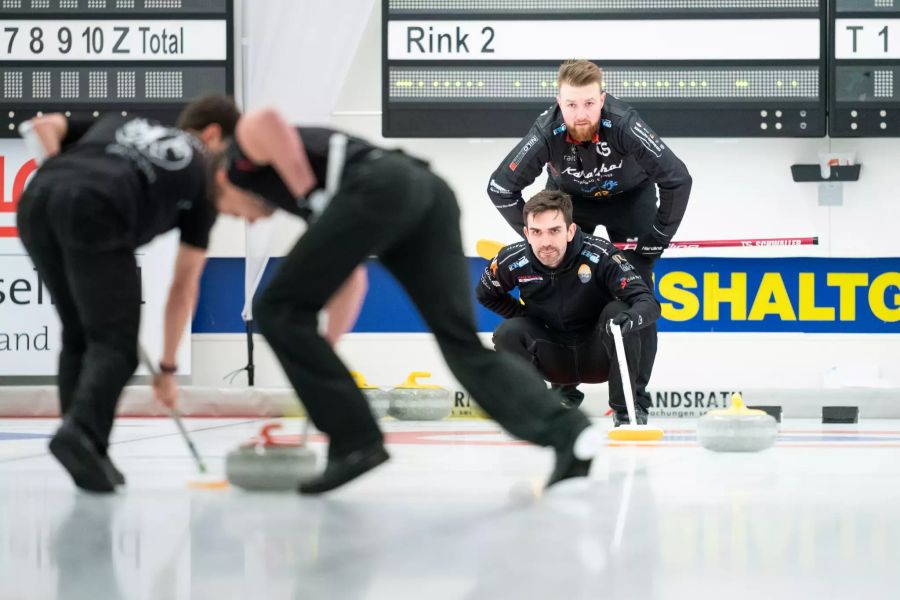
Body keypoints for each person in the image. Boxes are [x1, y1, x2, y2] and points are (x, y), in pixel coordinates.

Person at [177, 95, 601, 494]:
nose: (247, 222)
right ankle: (569, 434)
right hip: (428, 195)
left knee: (274, 307)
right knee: (460, 345)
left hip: (381, 186)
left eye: (230, 211)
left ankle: (355, 442)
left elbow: (263, 119)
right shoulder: (317, 200)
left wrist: (310, 196)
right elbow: (352, 280)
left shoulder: (238, 159)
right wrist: (319, 357)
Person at [16, 98, 240, 492]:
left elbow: (41, 126)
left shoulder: (122, 122)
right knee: (117, 346)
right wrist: (168, 370)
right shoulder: (206, 175)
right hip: (99, 208)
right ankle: (81, 433)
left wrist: (58, 170)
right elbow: (184, 285)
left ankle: (87, 449)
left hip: (37, 200)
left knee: (80, 334)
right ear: (213, 134)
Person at [486, 59, 691, 421]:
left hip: (630, 202)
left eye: (589, 103)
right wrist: (540, 236)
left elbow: (677, 179)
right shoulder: (546, 131)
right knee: (559, 286)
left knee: (637, 298)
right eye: (571, 105)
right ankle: (562, 389)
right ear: (558, 102)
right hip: (569, 203)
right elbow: (501, 188)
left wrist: (657, 238)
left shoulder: (625, 124)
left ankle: (632, 406)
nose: (580, 114)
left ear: (603, 99)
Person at [476, 190, 660, 424]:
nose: (546, 242)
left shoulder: (601, 253)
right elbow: (485, 295)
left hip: (598, 354)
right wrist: (525, 316)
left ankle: (627, 412)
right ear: (526, 233)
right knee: (508, 332)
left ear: (570, 231)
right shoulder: (510, 260)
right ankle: (533, 411)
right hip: (553, 356)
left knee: (620, 313)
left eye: (554, 231)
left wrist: (630, 318)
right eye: (536, 232)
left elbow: (648, 302)